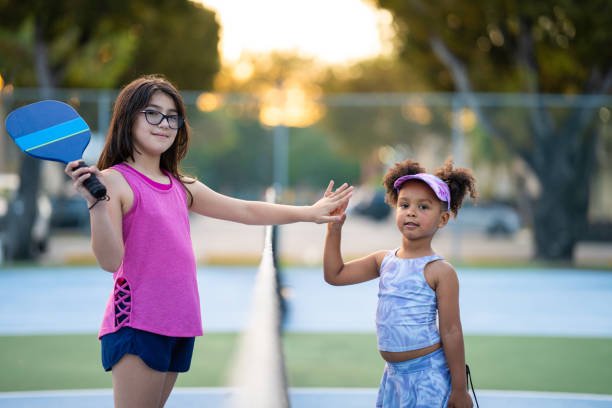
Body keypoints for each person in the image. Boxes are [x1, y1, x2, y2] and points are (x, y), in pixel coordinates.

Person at [65, 74, 352, 408]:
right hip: (137, 323)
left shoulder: (180, 185)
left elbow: (245, 210)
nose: (164, 124)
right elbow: (110, 261)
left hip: (178, 322)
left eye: (172, 116)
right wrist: (96, 205)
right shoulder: (113, 181)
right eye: (152, 113)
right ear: (128, 118)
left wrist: (309, 212)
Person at [323, 158, 477, 408]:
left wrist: (459, 389)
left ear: (443, 219)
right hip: (393, 376)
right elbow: (335, 275)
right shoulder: (383, 260)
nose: (412, 211)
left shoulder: (440, 271)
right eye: (404, 204)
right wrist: (334, 228)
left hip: (427, 375)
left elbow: (451, 331)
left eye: (424, 207)